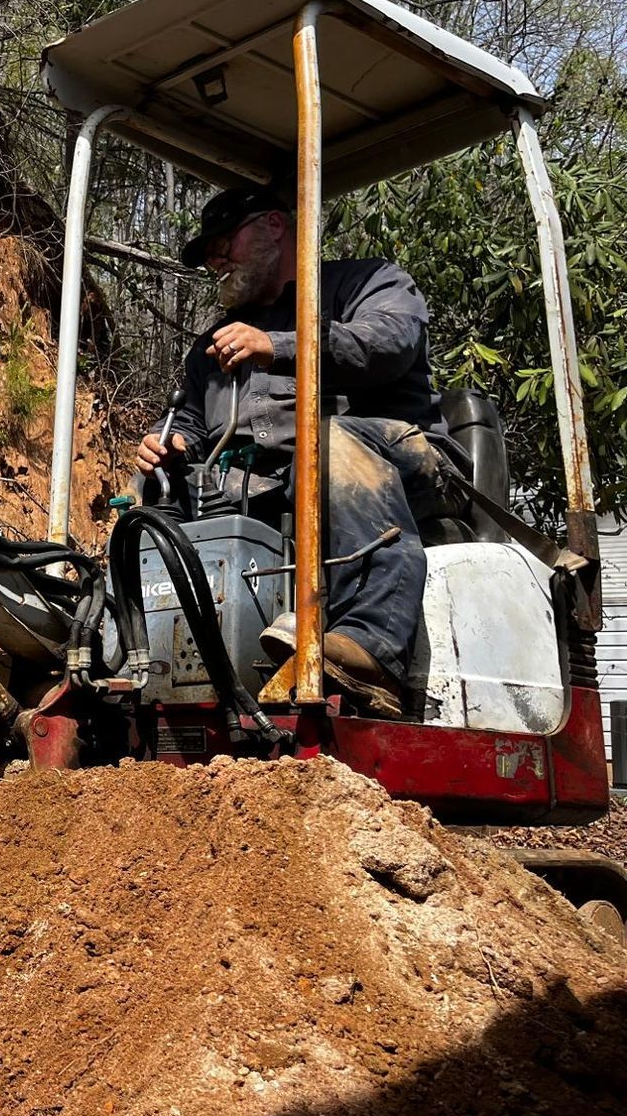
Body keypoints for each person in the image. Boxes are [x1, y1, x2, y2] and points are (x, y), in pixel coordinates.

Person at [134, 185, 469, 717]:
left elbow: (388, 345)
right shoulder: (215, 341)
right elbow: (196, 420)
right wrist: (170, 441)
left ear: (274, 226)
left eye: (224, 242)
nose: (216, 260)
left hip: (407, 464)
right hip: (282, 485)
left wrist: (282, 346)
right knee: (154, 495)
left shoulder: (367, 281)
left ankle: (371, 646)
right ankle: (151, 660)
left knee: (327, 438)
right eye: (209, 253)